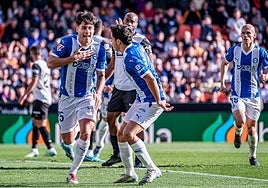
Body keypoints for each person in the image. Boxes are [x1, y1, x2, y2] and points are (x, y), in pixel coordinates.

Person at [110, 24, 174, 185]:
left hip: (150, 100)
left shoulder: (130, 57)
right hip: (141, 98)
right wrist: (122, 28)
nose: (110, 41)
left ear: (118, 41)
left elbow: (150, 78)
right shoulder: (134, 46)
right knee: (121, 134)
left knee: (130, 134)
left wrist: (159, 100)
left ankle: (152, 168)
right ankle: (130, 173)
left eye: (111, 38)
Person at [47, 10, 106, 184]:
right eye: (84, 28)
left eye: (90, 28)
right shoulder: (66, 42)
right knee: (68, 139)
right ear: (77, 28)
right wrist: (73, 58)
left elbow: (101, 75)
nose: (88, 32)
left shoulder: (99, 48)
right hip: (67, 98)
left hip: (87, 96)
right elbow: (50, 62)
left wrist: (99, 92)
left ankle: (73, 172)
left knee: (87, 132)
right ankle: (67, 145)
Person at [102, 12, 153, 168]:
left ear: (137, 24)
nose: (130, 23)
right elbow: (112, 65)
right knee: (110, 119)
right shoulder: (118, 40)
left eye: (133, 21)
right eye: (127, 21)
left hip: (133, 88)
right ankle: (117, 153)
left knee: (135, 123)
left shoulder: (141, 41)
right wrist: (101, 81)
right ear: (124, 21)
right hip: (118, 87)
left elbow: (150, 64)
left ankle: (139, 157)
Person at [220, 24, 268, 166]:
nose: (245, 35)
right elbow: (224, 63)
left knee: (252, 128)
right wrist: (222, 83)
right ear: (240, 35)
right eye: (243, 33)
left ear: (254, 35)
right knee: (240, 120)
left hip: (254, 95)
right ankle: (238, 132)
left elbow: (266, 68)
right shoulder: (235, 50)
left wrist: (266, 75)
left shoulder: (260, 52)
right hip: (237, 93)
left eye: (248, 33)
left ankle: (252, 156)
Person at [18, 46, 57, 158]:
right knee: (35, 122)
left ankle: (50, 148)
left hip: (41, 98)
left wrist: (25, 95)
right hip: (42, 97)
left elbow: (34, 80)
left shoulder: (36, 65)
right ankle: (34, 149)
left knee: (41, 124)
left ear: (32, 53)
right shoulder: (45, 64)